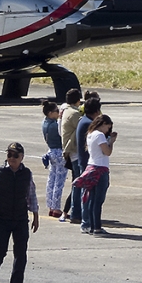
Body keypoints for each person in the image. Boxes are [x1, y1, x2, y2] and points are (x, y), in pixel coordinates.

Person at [0, 142, 38, 283]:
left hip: (20, 218)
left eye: (16, 155)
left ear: (22, 157)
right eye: (9, 155)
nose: (12, 158)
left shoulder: (26, 173)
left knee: (21, 252)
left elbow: (31, 195)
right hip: (1, 219)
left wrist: (35, 215)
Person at [74, 114, 116, 234]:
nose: (108, 130)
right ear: (103, 124)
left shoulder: (90, 134)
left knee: (92, 198)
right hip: (100, 169)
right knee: (98, 200)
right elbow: (107, 152)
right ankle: (96, 226)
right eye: (108, 127)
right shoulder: (99, 135)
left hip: (91, 166)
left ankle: (92, 225)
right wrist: (111, 142)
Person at [74, 94, 102, 229]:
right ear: (96, 111)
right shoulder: (89, 124)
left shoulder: (83, 120)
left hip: (84, 161)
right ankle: (86, 222)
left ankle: (84, 220)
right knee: (88, 194)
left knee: (85, 193)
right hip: (88, 162)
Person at [59, 89, 82, 224]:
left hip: (70, 152)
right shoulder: (74, 113)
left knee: (76, 183)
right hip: (74, 152)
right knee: (78, 184)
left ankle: (70, 211)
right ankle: (75, 212)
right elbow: (86, 127)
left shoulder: (66, 111)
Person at [40, 101, 64, 218]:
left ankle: (50, 205)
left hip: (51, 151)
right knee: (59, 181)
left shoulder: (45, 123)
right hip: (59, 151)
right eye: (56, 111)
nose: (58, 113)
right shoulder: (55, 125)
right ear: (50, 113)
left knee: (51, 180)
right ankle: (56, 208)